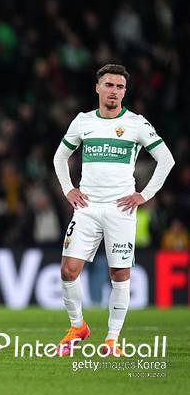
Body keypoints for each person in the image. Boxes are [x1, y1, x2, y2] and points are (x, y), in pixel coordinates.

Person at [53, 64, 175, 356]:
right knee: (68, 270)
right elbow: (60, 157)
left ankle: (112, 339)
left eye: (120, 87)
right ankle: (77, 326)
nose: (114, 91)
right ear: (97, 87)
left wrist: (143, 195)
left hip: (121, 210)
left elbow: (166, 159)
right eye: (109, 85)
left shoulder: (136, 123)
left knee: (119, 274)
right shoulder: (83, 121)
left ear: (125, 92)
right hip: (87, 207)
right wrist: (68, 189)